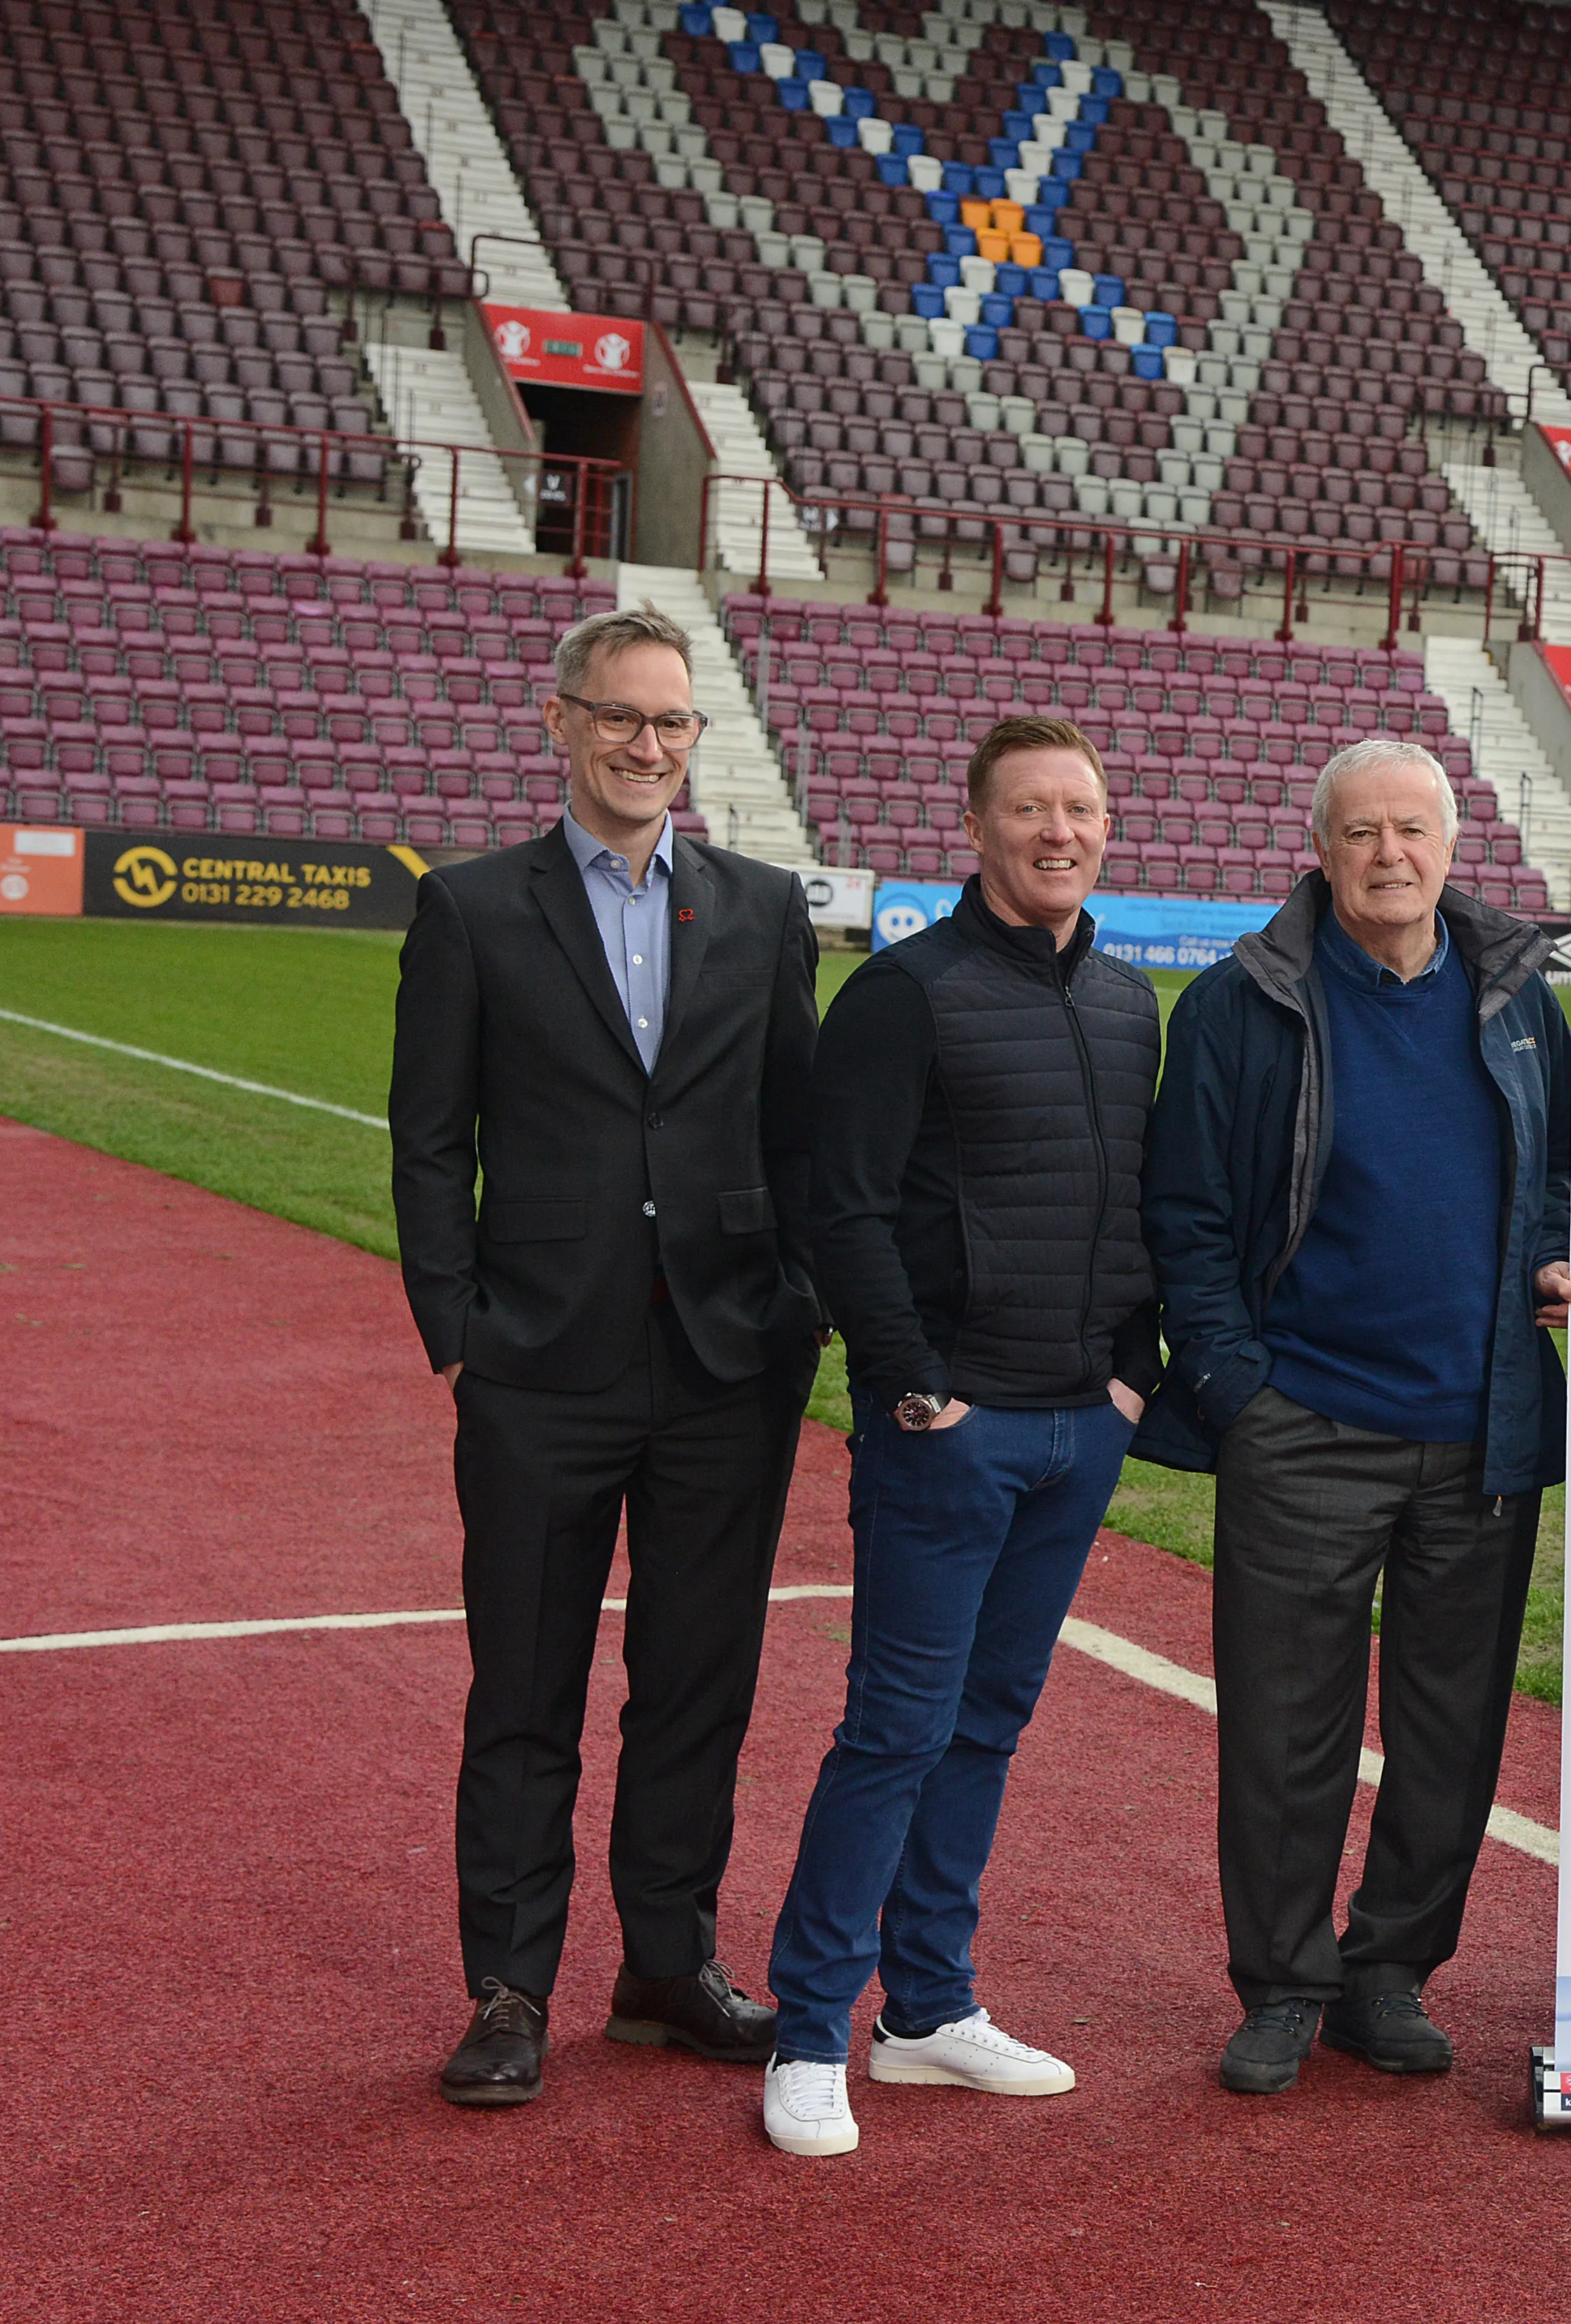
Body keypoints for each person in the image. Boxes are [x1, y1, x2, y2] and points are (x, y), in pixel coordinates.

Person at [390, 605, 822, 2108]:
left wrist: (796, 1310)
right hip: (539, 1366)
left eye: (673, 721)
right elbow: (430, 1141)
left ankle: (664, 1960)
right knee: (525, 1684)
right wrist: (460, 1330)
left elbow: (797, 1131)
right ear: (559, 722)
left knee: (695, 1680)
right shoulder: (472, 909)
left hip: (723, 1362)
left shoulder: (762, 909)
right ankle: (510, 1985)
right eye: (622, 716)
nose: (649, 745)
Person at [1137, 736, 1571, 2096]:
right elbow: (1189, 1220)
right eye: (1363, 832)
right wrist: (1236, 1393)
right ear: (1320, 850)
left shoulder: (1517, 1007)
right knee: (1285, 1728)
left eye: (1413, 830)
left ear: (1456, 846)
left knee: (1452, 1729)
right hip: (1305, 1423)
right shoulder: (1240, 1005)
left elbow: (1552, 1182)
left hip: (1480, 1432)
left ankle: (1387, 1971)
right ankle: (1281, 1978)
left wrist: (1561, 1266)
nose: (1391, 854)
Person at [757, 715, 1161, 2159]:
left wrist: (1129, 1374)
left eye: (1084, 805)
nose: (1063, 831)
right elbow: (840, 1203)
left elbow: (1136, 1212)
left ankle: (926, 2004)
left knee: (989, 1720)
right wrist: (914, 1381)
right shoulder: (902, 992)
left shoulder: (1127, 1001)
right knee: (897, 1726)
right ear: (977, 825)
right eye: (1033, 809)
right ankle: (812, 2025)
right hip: (950, 1429)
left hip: (1078, 1427)